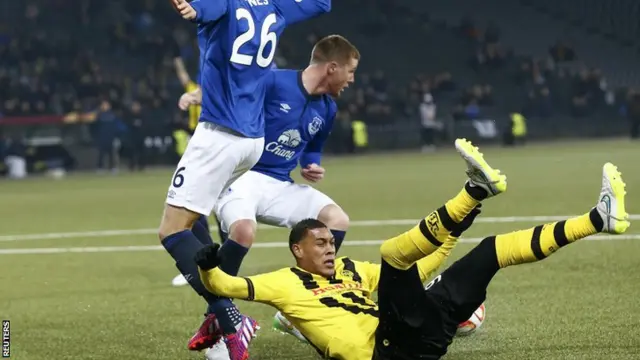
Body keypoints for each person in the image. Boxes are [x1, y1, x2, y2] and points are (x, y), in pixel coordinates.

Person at [193, 138, 630, 360]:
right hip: (385, 347)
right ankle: (472, 193)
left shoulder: (349, 270)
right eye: (320, 243)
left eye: (330, 240)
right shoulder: (284, 284)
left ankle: (598, 219)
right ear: (297, 251)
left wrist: (454, 234)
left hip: (419, 340)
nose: (330, 247)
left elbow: (415, 272)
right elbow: (226, 285)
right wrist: (210, 266)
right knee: (392, 252)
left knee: (491, 251)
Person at [160, 0, 332, 359]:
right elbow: (320, 3)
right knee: (193, 222)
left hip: (219, 134)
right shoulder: (276, 7)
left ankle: (228, 315)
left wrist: (192, 10)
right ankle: (217, 317)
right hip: (253, 141)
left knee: (173, 230)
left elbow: (202, 10)